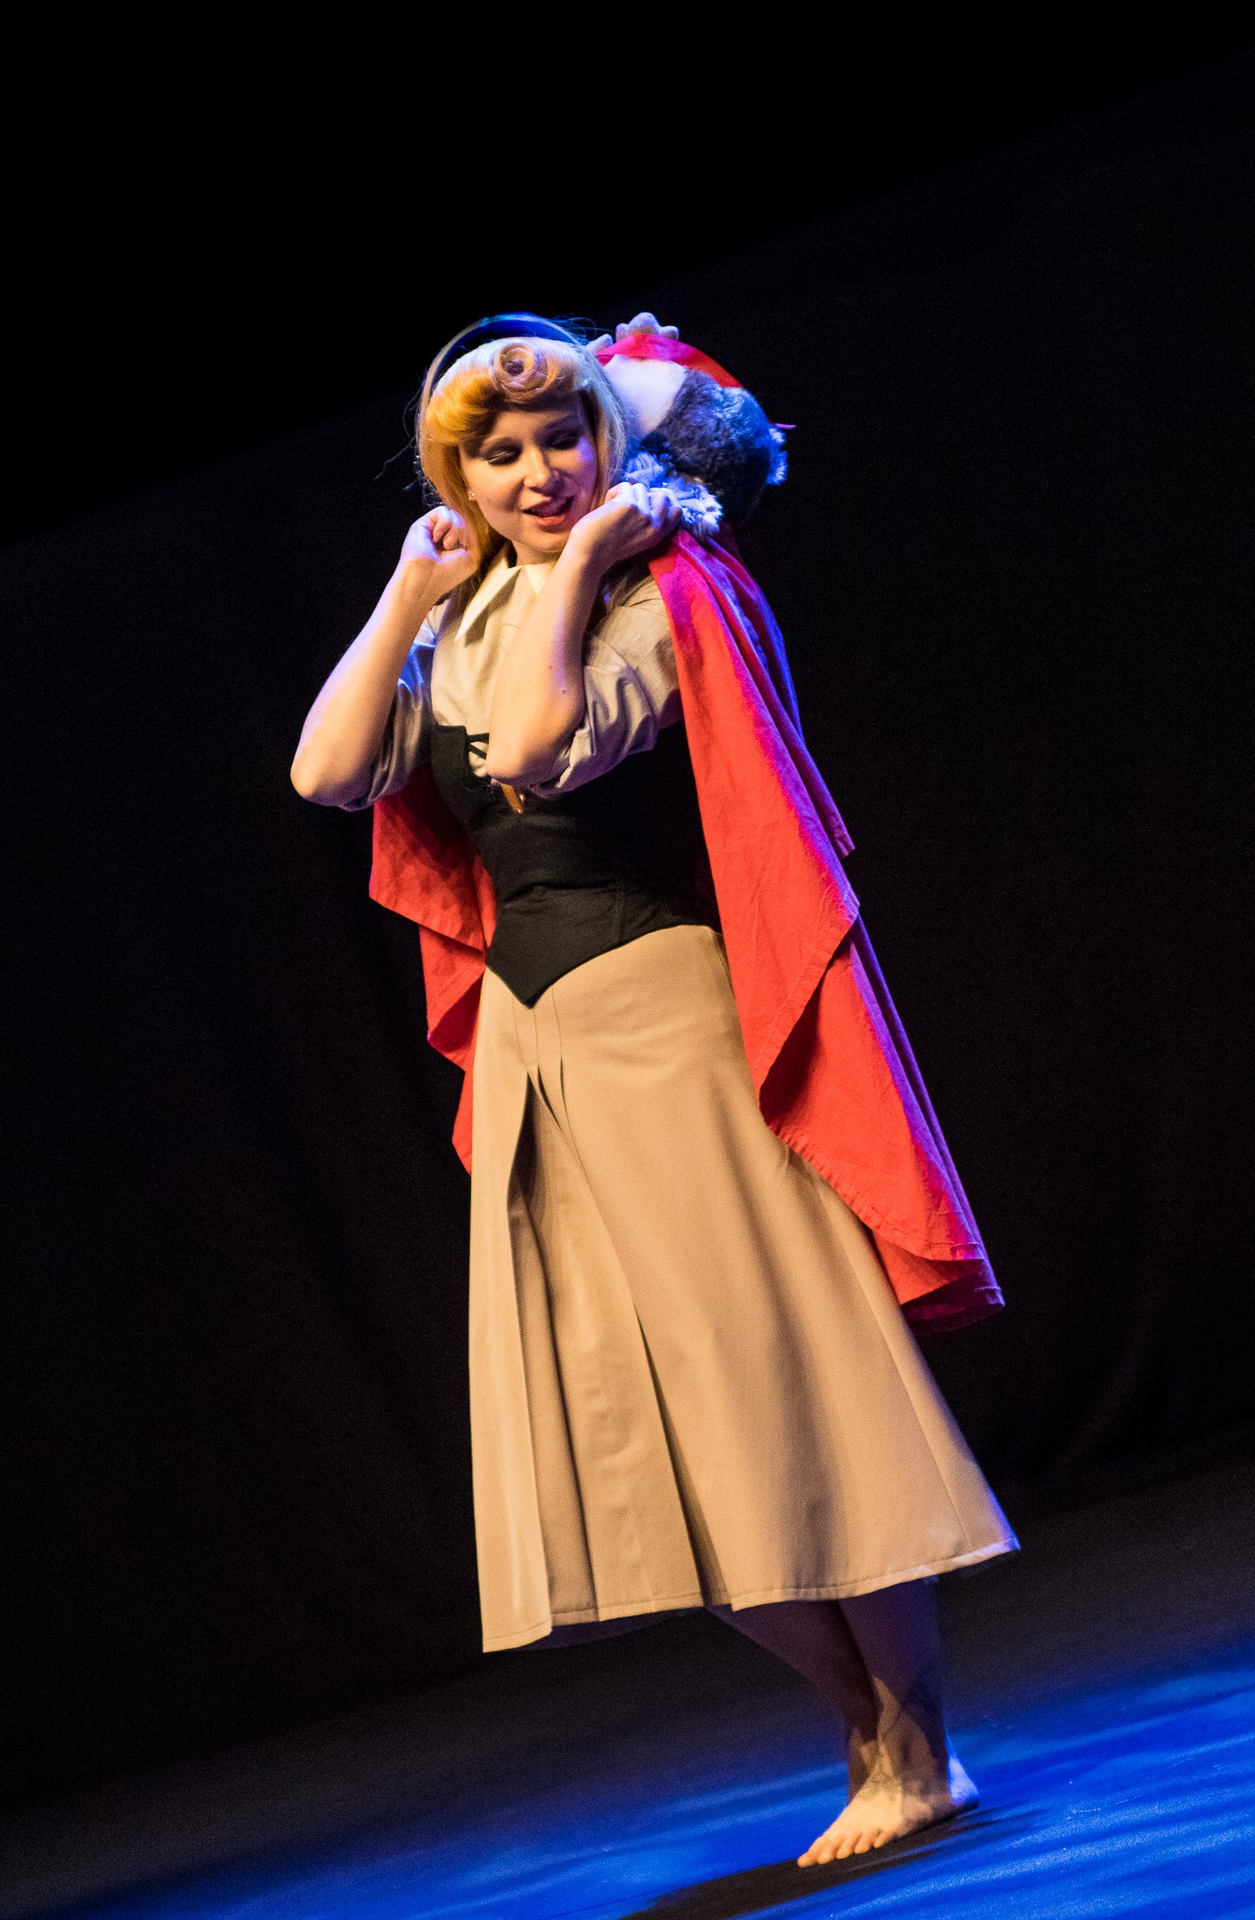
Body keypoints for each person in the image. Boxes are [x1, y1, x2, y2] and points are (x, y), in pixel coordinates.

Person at [291, 314, 1016, 1865]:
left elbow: (540, 748)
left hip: (667, 1024)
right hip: (537, 1049)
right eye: (498, 455)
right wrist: (407, 593)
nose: (536, 473)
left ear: (611, 443)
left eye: (560, 439)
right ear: (457, 479)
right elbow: (328, 771)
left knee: (781, 1381)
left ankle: (914, 1742)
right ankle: (868, 1733)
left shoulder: (662, 591)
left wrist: (571, 575)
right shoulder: (466, 611)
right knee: (627, 1433)